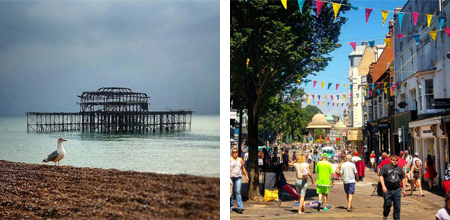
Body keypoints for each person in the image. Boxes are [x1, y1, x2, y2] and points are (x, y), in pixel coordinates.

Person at [379, 155, 407, 220]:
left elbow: (403, 178)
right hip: (388, 189)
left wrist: (404, 189)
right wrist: (383, 186)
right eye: (393, 160)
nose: (395, 161)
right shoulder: (385, 167)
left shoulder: (399, 169)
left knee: (397, 206)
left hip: (397, 190)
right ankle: (385, 215)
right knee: (387, 204)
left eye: (396, 160)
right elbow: (381, 176)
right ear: (391, 160)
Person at [230, 148, 249, 213]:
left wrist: (246, 176)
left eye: (236, 152)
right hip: (230, 178)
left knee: (238, 192)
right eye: (233, 152)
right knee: (230, 193)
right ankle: (230, 206)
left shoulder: (240, 159)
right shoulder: (229, 159)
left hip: (238, 177)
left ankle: (240, 207)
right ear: (232, 153)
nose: (235, 153)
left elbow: (243, 168)